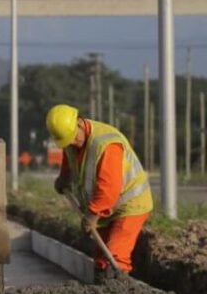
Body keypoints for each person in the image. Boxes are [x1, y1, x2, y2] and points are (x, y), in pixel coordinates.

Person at [46, 104, 153, 283]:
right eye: (66, 142)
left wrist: (92, 216)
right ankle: (102, 293)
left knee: (115, 255)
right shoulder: (71, 143)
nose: (71, 144)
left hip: (130, 204)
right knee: (102, 258)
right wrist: (63, 179)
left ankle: (118, 291)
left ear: (79, 123)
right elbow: (69, 164)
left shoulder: (106, 144)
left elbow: (108, 188)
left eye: (73, 138)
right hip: (104, 206)